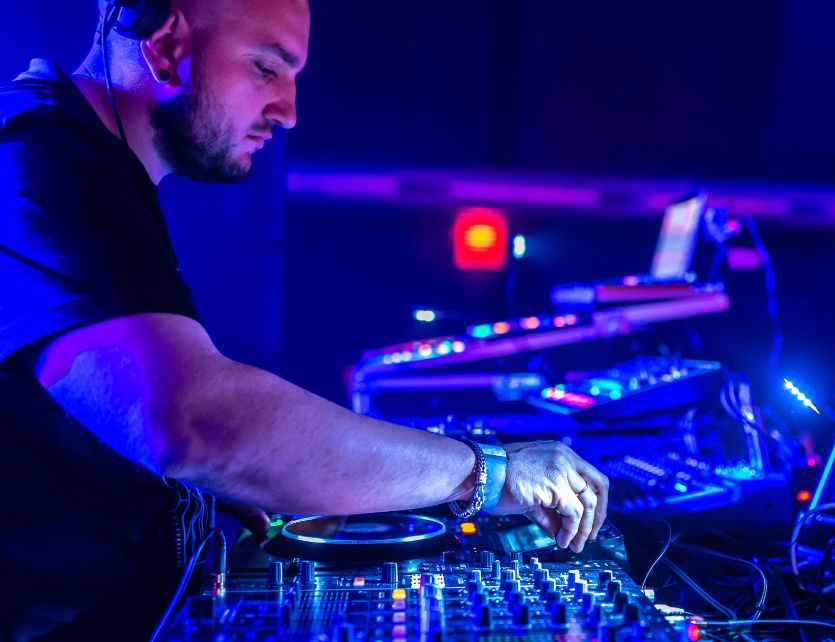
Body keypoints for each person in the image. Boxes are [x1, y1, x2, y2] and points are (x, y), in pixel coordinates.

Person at [0, 1, 608, 640]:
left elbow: (113, 414)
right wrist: (486, 474)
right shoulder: (40, 163)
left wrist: (233, 478)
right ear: (168, 43)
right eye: (265, 67)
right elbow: (200, 423)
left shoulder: (83, 165)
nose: (288, 110)